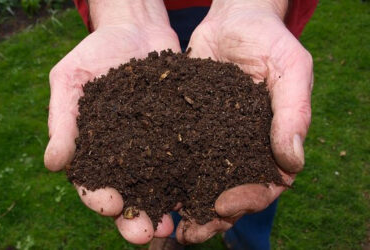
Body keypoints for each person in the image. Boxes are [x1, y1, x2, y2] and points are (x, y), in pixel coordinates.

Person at [44, 0, 317, 249]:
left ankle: (247, 240)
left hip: (250, 16)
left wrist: (253, 7)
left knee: (258, 171)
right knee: (169, 179)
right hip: (143, 16)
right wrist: (124, 11)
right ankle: (172, 230)